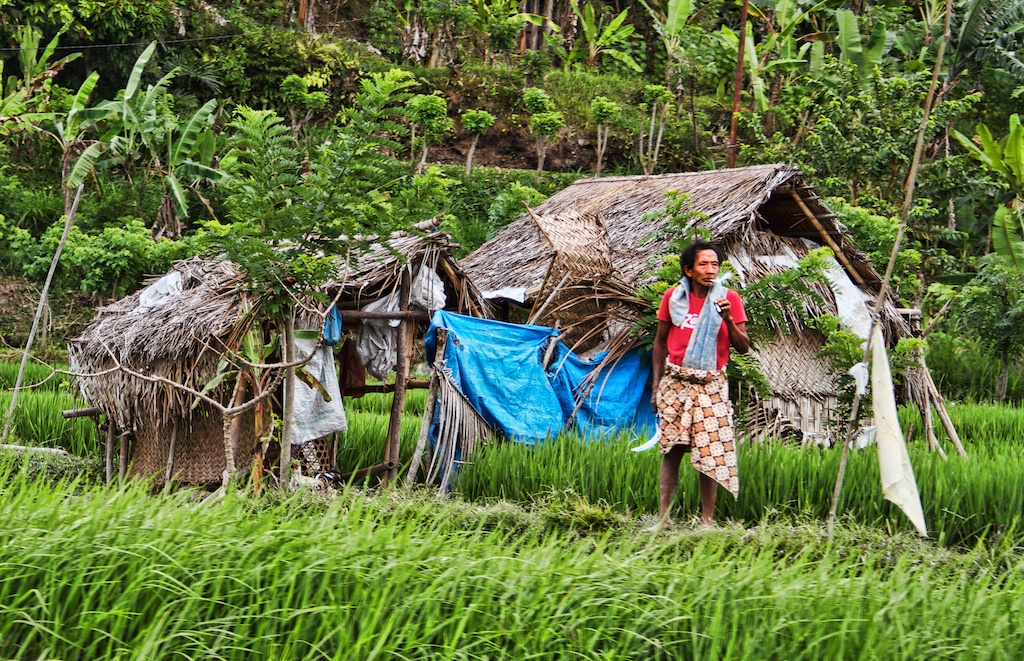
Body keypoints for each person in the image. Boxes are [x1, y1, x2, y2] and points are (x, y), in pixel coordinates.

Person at [650, 240, 749, 527]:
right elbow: (659, 344)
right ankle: (664, 519)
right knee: (672, 451)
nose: (710, 269)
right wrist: (655, 387)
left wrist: (728, 319)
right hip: (675, 382)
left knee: (710, 453)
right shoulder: (673, 297)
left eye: (715, 264)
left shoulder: (728, 299)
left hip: (711, 384)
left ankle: (707, 522)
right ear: (689, 270)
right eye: (703, 264)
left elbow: (743, 346)